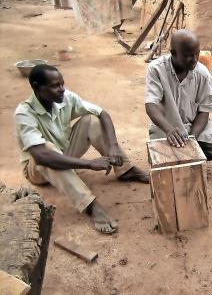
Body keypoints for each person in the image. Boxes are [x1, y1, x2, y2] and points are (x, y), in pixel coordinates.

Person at [15, 64, 149, 234]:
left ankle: (125, 169)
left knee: (91, 120)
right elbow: (41, 156)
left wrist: (113, 146)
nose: (62, 89)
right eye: (55, 85)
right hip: (38, 169)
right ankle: (90, 206)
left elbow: (103, 114)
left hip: (62, 153)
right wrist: (88, 164)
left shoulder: (65, 98)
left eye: (62, 84)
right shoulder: (24, 113)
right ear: (36, 87)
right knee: (46, 149)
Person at [144, 29, 212, 160]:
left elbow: (204, 112)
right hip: (166, 126)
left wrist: (192, 139)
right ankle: (179, 156)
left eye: (197, 54)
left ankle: (184, 156)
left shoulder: (203, 74)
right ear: (173, 53)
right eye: (188, 55)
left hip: (194, 126)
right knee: (161, 155)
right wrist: (169, 129)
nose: (194, 59)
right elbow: (151, 105)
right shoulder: (156, 69)